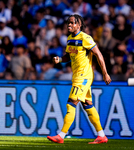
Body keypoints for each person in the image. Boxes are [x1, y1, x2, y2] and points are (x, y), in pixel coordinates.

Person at [47, 14, 111, 144]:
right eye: (68, 23)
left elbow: (98, 55)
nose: (69, 25)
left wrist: (105, 73)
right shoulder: (70, 38)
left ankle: (61, 135)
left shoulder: (85, 38)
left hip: (84, 76)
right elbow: (69, 56)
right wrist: (59, 59)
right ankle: (101, 135)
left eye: (72, 23)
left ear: (79, 24)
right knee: (88, 105)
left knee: (71, 102)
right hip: (77, 76)